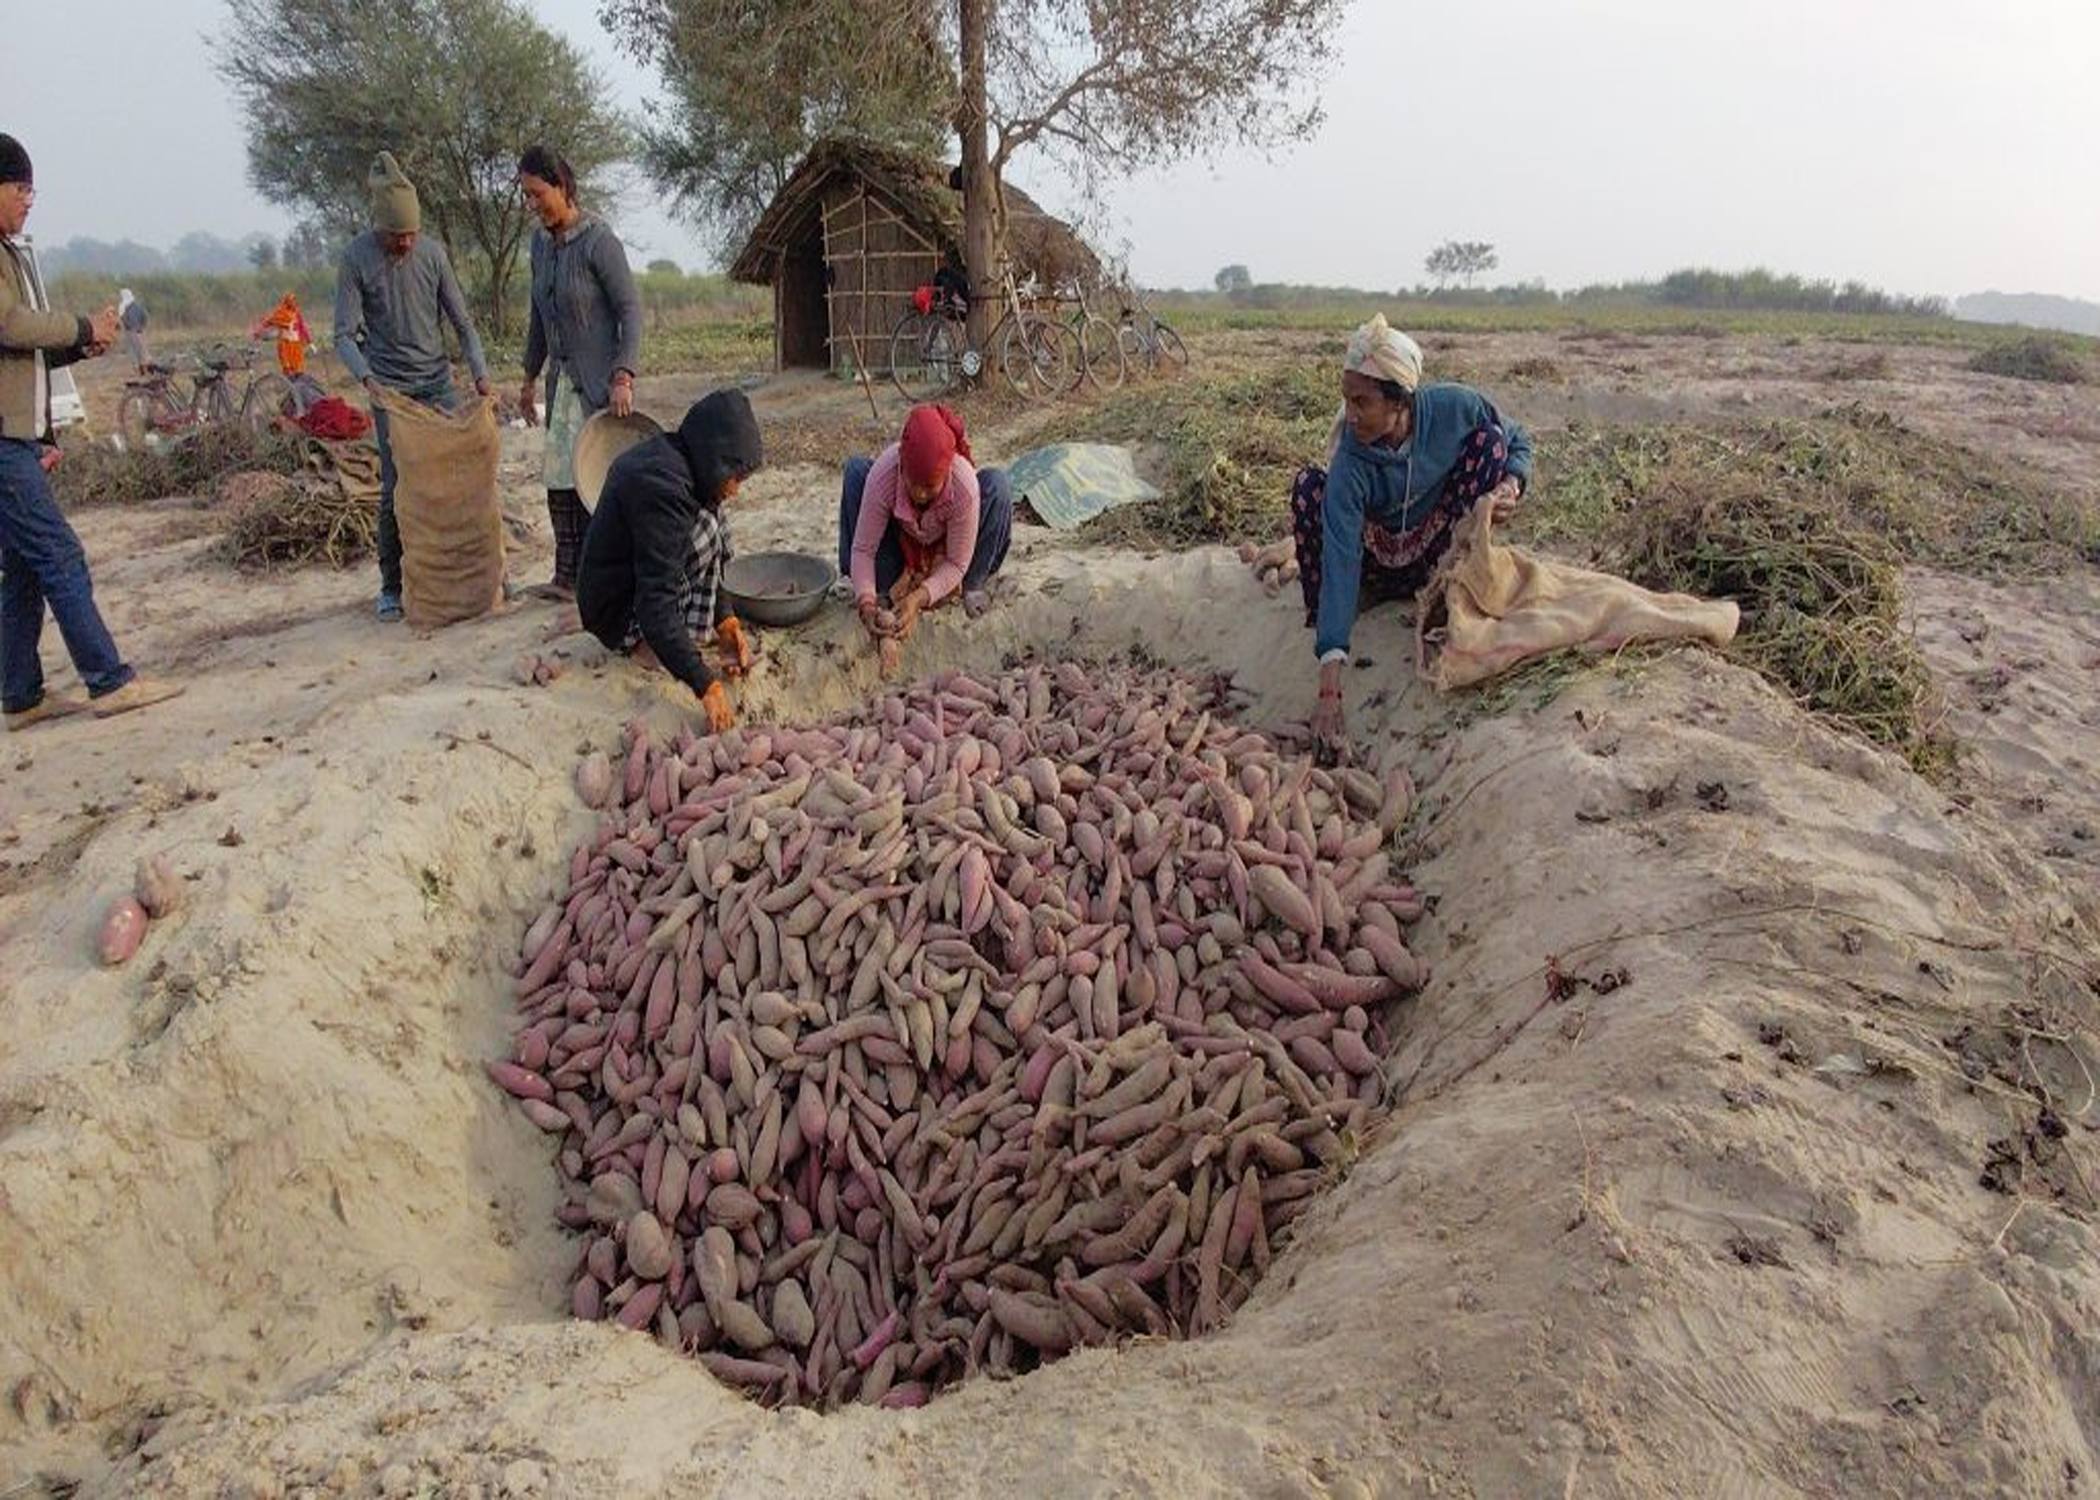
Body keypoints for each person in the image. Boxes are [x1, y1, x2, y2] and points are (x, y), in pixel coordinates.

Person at [0, 133, 183, 728]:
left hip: (16, 437)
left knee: (26, 564)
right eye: (21, 188)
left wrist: (84, 343)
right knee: (59, 554)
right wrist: (81, 324)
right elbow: (9, 325)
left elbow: (22, 353)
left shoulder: (10, 252)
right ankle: (108, 681)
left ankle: (21, 696)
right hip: (3, 443)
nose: (30, 200)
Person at [1292, 313, 1531, 756]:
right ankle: (1342, 614)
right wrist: (1329, 691)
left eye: (1362, 402)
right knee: (1309, 490)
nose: (1351, 413)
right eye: (1346, 399)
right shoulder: (1351, 462)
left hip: (1432, 555)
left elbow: (1518, 442)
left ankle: (1449, 591)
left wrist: (1511, 483)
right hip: (1373, 566)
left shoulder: (1454, 407)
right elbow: (1341, 558)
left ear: (1400, 402)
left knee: (1489, 444)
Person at [333, 150, 491, 622]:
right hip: (392, 393)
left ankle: (477, 573)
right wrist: (367, 379)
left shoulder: (433, 255)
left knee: (462, 477)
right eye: (396, 237)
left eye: (411, 235)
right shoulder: (356, 258)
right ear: (379, 230)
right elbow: (342, 334)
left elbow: (462, 323)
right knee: (398, 487)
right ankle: (391, 584)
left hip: (437, 384)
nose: (405, 243)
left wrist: (480, 373)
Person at [575, 389, 761, 734]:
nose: (736, 489)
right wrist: (704, 682)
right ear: (715, 458)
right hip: (614, 610)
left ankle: (680, 636)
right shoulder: (663, 489)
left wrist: (726, 621)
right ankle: (642, 644)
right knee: (708, 529)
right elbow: (655, 604)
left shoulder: (684, 461)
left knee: (716, 521)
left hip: (630, 580)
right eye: (736, 478)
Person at [515, 144, 642, 602]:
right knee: (559, 480)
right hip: (561, 385)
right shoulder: (539, 246)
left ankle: (599, 579)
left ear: (562, 186)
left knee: (595, 483)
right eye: (526, 196)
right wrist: (529, 378)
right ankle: (567, 577)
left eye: (537, 194)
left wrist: (623, 374)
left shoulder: (598, 241)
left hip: (600, 389)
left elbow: (630, 311)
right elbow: (538, 317)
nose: (532, 205)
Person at [839, 403, 1012, 675]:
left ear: (946, 473)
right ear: (902, 465)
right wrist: (867, 604)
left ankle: (973, 584)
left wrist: (919, 598)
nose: (920, 495)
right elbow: (862, 549)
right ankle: (883, 592)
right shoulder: (885, 474)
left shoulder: (962, 484)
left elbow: (955, 563)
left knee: (997, 484)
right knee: (855, 470)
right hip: (900, 546)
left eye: (930, 487)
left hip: (951, 551)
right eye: (913, 484)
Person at [117, 288, 149, 372]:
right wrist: (142, 327)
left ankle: (140, 368)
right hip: (140, 331)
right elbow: (145, 317)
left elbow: (123, 319)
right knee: (142, 349)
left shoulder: (124, 307)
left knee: (133, 350)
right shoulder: (138, 305)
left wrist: (129, 326)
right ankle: (143, 367)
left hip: (130, 331)